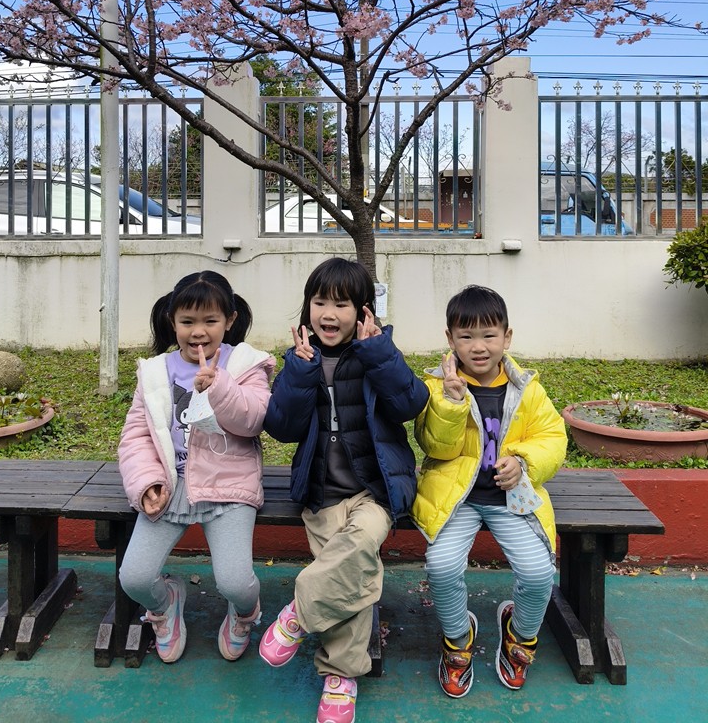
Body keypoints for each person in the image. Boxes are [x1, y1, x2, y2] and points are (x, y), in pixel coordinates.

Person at [258, 257, 428, 723]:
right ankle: (341, 677)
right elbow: (282, 428)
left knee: (357, 546)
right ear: (307, 308)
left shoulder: (376, 353)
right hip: (322, 492)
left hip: (375, 490)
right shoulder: (300, 361)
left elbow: (411, 403)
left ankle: (299, 616)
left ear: (363, 311)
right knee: (352, 571)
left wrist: (379, 352)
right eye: (320, 303)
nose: (329, 314)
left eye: (342, 304)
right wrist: (299, 373)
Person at [412, 285, 567, 698]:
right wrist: (450, 403)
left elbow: (553, 437)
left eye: (488, 335)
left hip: (511, 499)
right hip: (457, 500)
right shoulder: (438, 387)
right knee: (441, 566)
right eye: (466, 336)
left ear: (507, 337)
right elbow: (435, 447)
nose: (478, 347)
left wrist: (525, 462)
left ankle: (520, 634)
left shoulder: (526, 388)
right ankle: (457, 639)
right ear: (450, 339)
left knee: (539, 572)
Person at [118, 271, 275, 664]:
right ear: (172, 321)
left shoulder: (246, 364)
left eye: (210, 321)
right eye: (187, 321)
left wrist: (219, 386)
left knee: (236, 584)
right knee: (134, 578)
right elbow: (136, 436)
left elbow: (254, 420)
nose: (198, 332)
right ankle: (166, 603)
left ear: (230, 320)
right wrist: (147, 482)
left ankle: (244, 615)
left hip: (229, 487)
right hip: (171, 488)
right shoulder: (156, 371)